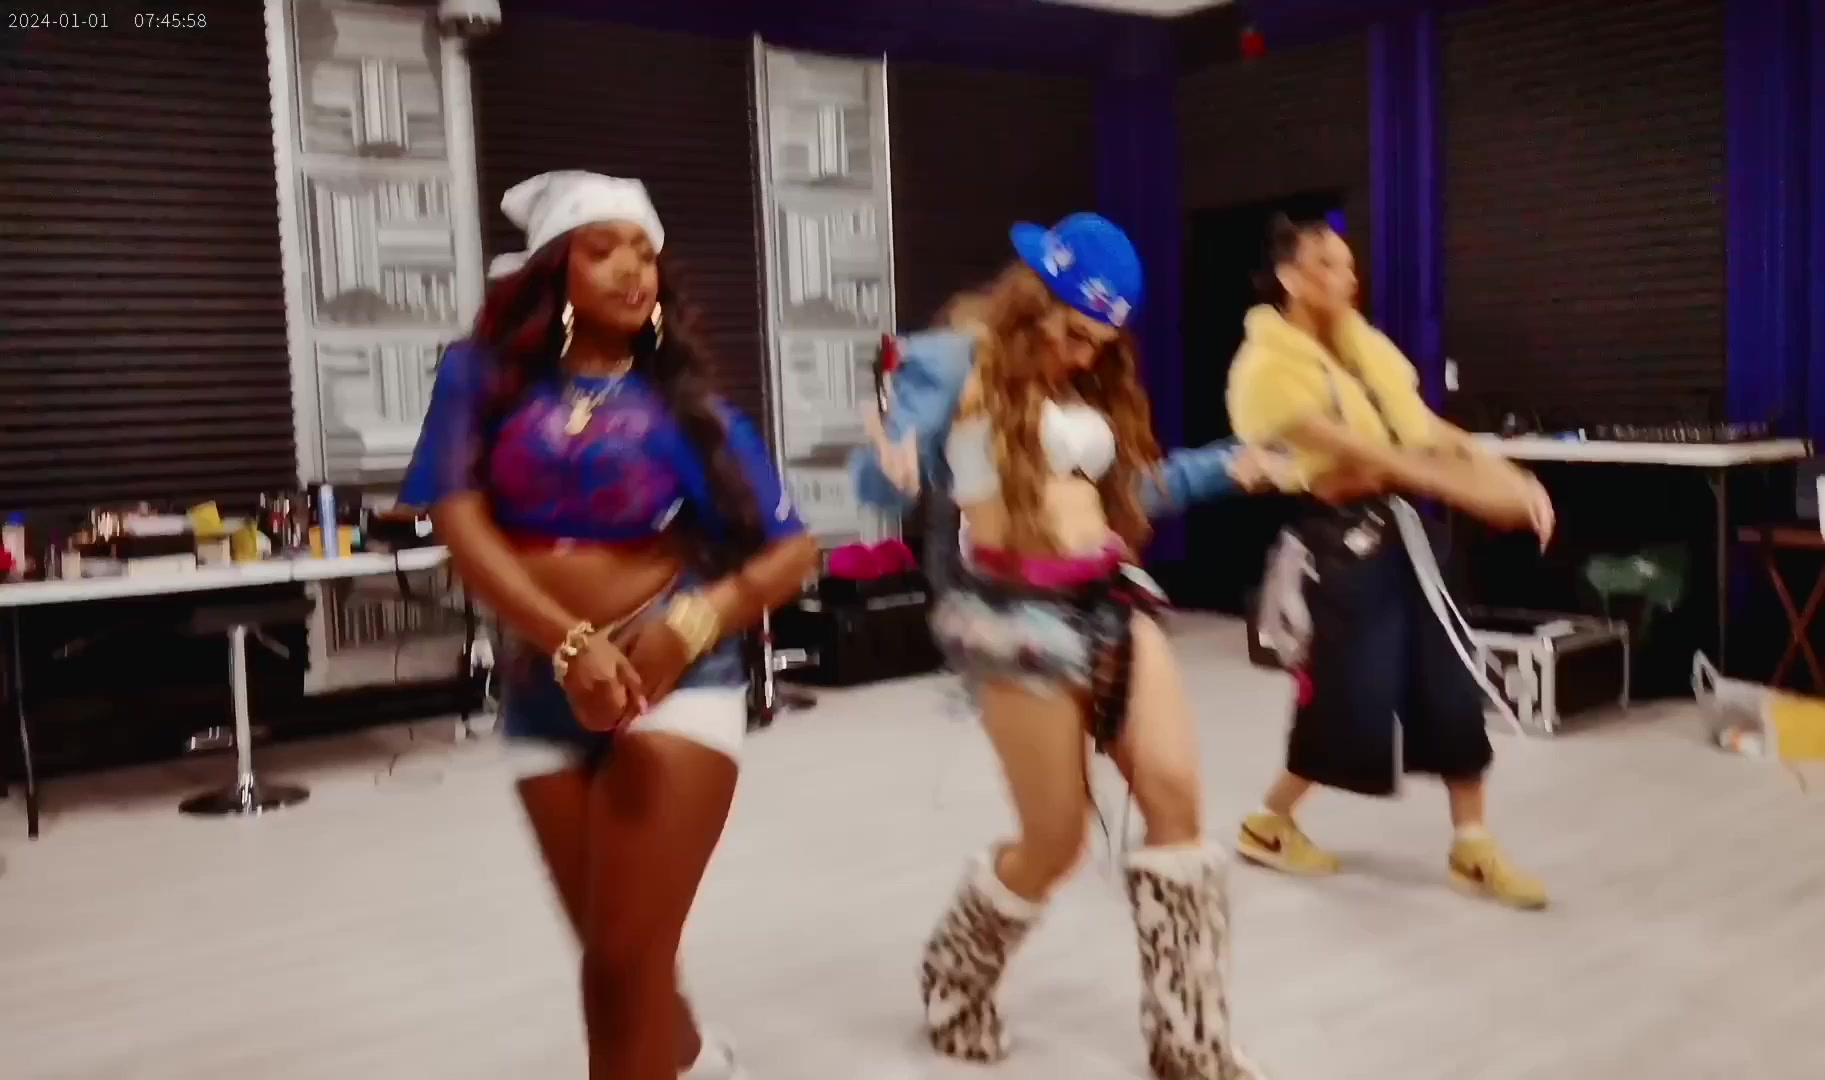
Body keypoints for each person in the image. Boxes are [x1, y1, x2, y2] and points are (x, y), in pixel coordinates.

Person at [853, 213, 1299, 1080]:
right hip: (1015, 622)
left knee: (1175, 799)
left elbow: (1130, 493)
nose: (1084, 355)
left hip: (1110, 597)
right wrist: (889, 468)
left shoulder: (1092, 383)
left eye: (1100, 341)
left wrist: (1229, 465)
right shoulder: (956, 363)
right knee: (1055, 841)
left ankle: (1192, 1042)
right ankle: (955, 977)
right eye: (1073, 333)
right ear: (1034, 301)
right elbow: (884, 470)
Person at [400, 170, 817, 1080]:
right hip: (539, 686)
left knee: (620, 970)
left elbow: (793, 553)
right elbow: (460, 522)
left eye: (645, 252)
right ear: (554, 269)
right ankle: (694, 1059)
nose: (633, 268)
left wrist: (691, 626)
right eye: (604, 250)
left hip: (671, 680)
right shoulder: (481, 379)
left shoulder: (686, 406)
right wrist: (565, 642)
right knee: (618, 956)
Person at [1227, 214, 1554, 910]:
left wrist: (1504, 471)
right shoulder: (1266, 372)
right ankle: (1269, 822)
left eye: (1348, 265)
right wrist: (1470, 490)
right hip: (1338, 544)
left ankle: (1472, 844)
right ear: (1290, 277)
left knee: (1451, 678)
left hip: (1404, 532)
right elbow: (1368, 457)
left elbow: (1421, 428)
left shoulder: (1364, 350)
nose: (1346, 278)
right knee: (1350, 693)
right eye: (1327, 265)